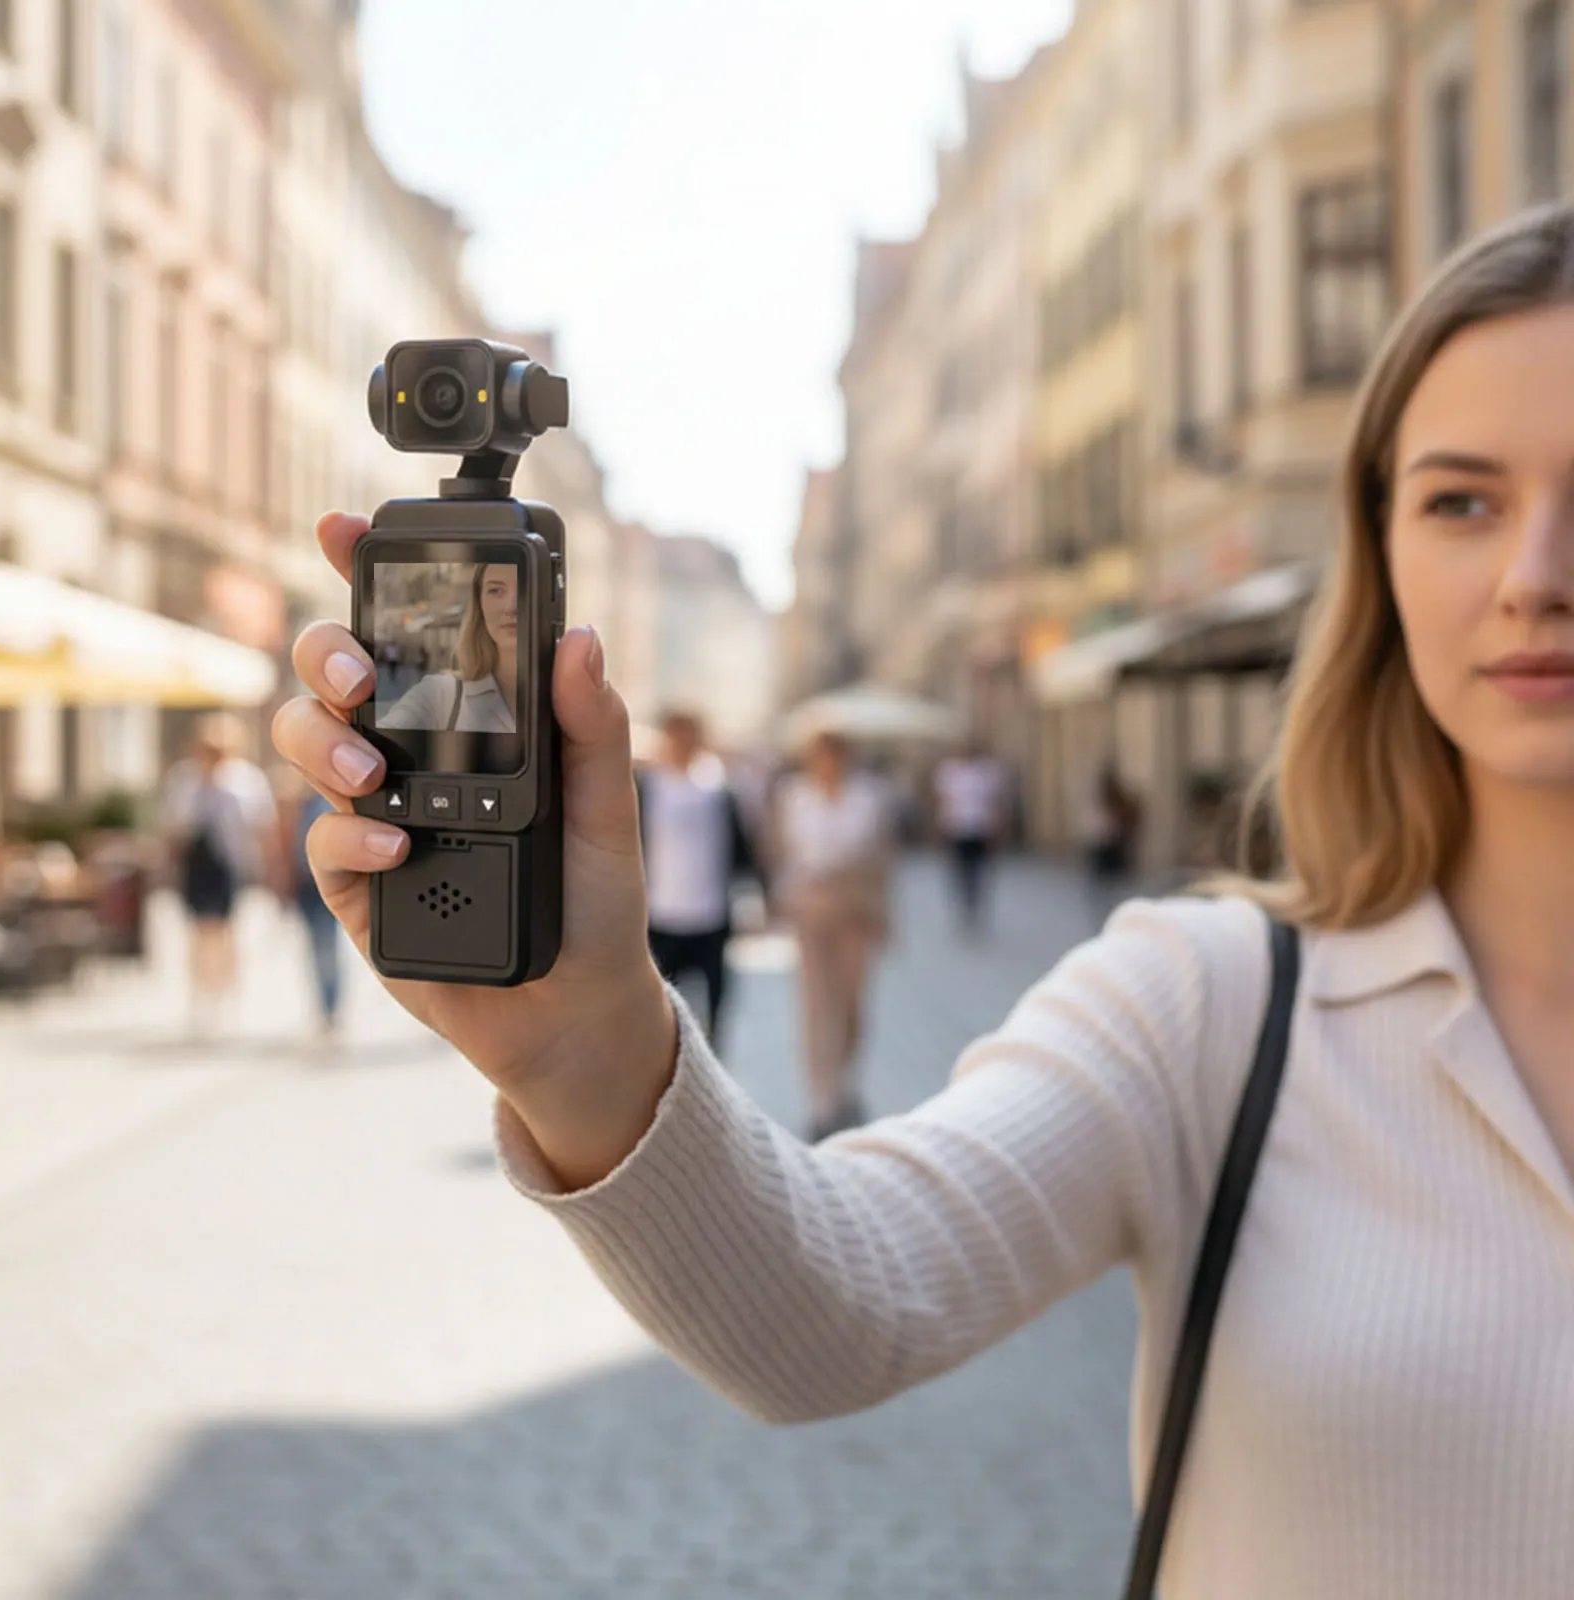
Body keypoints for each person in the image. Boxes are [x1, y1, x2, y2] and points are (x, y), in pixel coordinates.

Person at [276, 202, 1574, 1597]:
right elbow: (836, 1312)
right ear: (1380, 551)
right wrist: (583, 1045)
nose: (1534, 579)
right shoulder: (1217, 1006)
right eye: (1461, 501)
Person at [764, 730, 896, 1141]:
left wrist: (884, 914)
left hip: (855, 907)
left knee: (852, 1002)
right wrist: (776, 901)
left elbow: (883, 859)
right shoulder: (794, 798)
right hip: (810, 906)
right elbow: (777, 853)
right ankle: (823, 1099)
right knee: (816, 1004)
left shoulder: (868, 799)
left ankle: (845, 1080)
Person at [636, 709, 765, 1048]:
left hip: (710, 913)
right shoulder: (647, 787)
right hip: (661, 915)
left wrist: (756, 896)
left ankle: (710, 1065)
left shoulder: (718, 789)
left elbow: (742, 849)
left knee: (715, 1005)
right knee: (661, 1006)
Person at [161, 712, 277, 1035]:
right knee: (199, 933)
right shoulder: (184, 780)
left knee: (226, 932)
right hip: (195, 866)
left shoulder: (245, 781)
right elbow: (173, 827)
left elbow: (261, 827)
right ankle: (201, 996)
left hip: (230, 866)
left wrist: (271, 869)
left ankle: (227, 994)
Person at [380, 563, 518, 732]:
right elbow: (377, 741)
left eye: (525, 590)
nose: (511, 607)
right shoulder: (440, 695)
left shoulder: (558, 695)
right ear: (479, 606)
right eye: (496, 591)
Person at [275, 767, 343, 1038]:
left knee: (327, 947)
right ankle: (323, 1006)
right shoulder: (296, 804)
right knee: (314, 948)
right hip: (304, 884)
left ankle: (331, 1006)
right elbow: (287, 846)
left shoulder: (329, 802)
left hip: (326, 882)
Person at [932, 742, 1009, 933]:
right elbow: (943, 801)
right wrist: (941, 826)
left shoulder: (987, 772)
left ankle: (975, 902)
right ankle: (965, 902)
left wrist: (997, 828)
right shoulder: (950, 772)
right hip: (957, 828)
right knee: (960, 869)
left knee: (979, 870)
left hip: (980, 829)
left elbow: (995, 802)